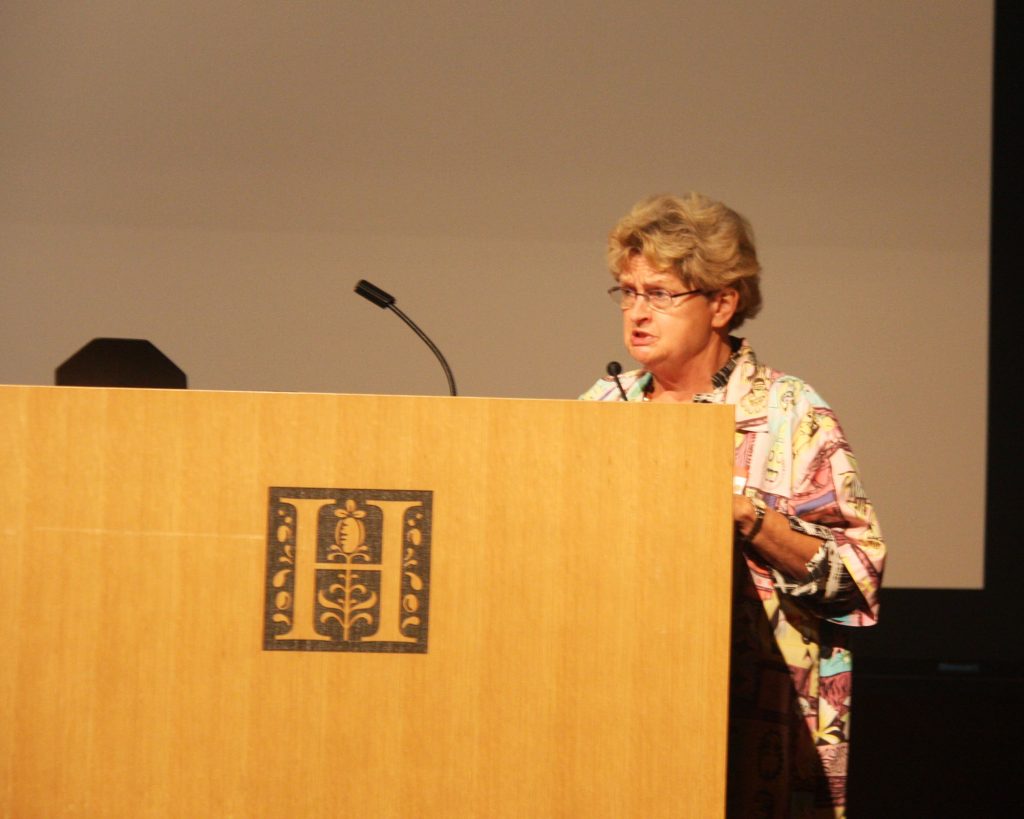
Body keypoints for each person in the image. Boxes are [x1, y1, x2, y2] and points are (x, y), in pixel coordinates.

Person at [580, 193, 885, 818]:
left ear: (722, 303)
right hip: (615, 710)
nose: (637, 313)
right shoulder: (601, 408)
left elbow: (858, 577)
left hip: (754, 726)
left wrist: (749, 518)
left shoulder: (790, 413)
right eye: (627, 292)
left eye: (660, 294)